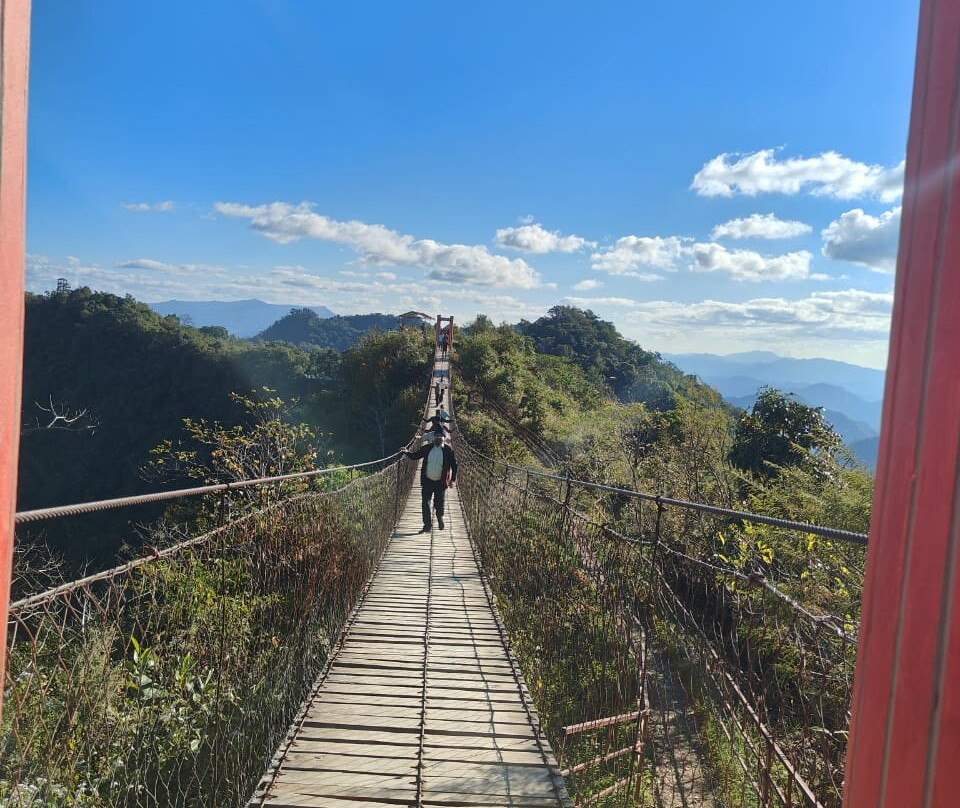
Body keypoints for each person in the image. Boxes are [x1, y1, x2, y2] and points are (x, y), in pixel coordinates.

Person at [405, 431, 457, 532]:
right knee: (425, 503)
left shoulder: (448, 450)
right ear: (433, 438)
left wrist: (453, 480)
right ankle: (427, 526)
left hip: (441, 482)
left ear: (444, 438)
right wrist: (406, 452)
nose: (439, 438)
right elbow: (415, 456)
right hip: (427, 480)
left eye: (441, 436)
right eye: (437, 436)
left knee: (439, 503)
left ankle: (439, 517)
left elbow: (454, 466)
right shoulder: (427, 448)